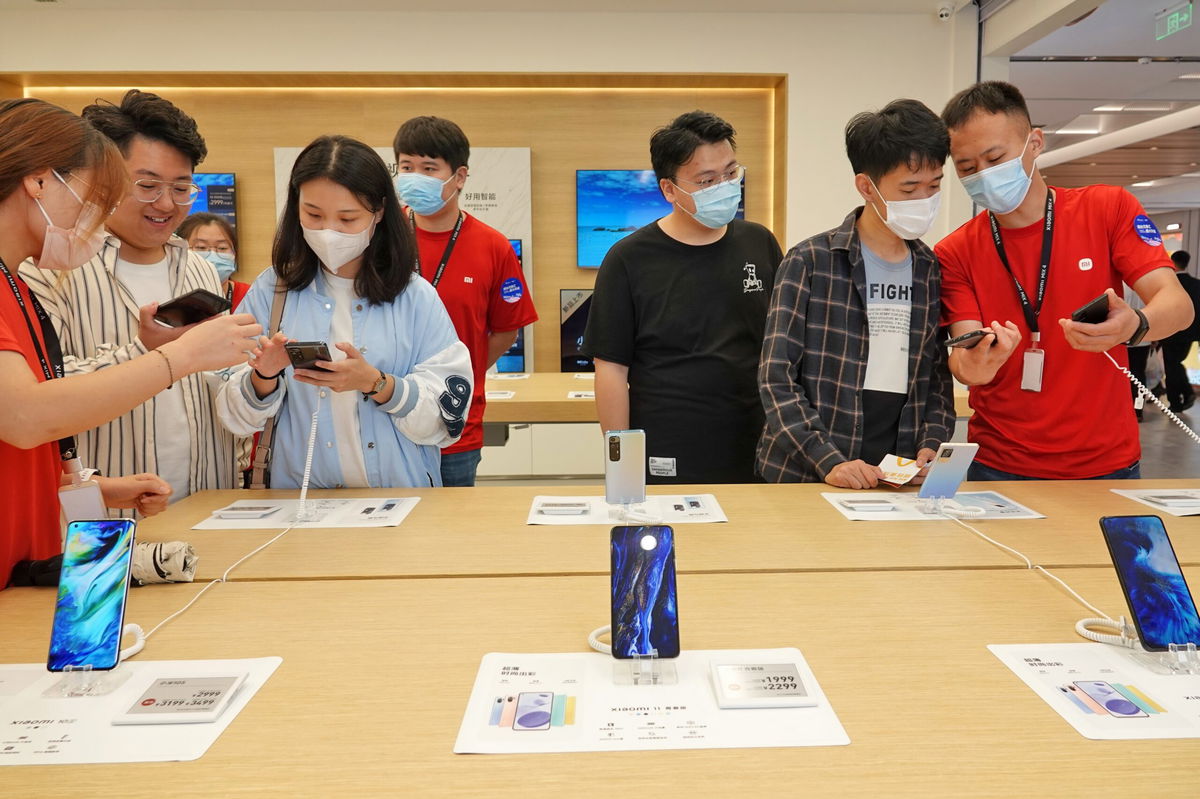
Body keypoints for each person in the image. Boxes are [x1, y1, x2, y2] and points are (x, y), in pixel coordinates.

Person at [0, 98, 261, 586]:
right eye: (96, 192)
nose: (94, 212)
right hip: (64, 550)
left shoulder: (13, 282)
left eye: (180, 188)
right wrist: (175, 356)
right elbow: (25, 415)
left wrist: (98, 486)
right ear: (38, 181)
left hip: (49, 546)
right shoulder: (40, 277)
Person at [935, 81, 1193, 480]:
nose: (984, 176)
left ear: (1034, 143)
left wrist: (1135, 325)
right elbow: (965, 357)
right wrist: (977, 365)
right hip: (999, 463)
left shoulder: (1107, 209)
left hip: (1106, 462)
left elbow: (1176, 304)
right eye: (967, 169)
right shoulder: (955, 252)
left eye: (995, 158)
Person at [22, 89, 242, 504]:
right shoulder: (51, 270)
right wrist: (145, 353)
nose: (166, 204)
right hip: (107, 521)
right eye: (146, 185)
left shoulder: (197, 269)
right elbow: (38, 401)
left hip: (206, 504)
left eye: (182, 188)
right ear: (103, 177)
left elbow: (215, 386)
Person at [216, 135, 472, 489]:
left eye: (348, 219)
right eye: (313, 215)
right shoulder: (272, 291)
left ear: (379, 212)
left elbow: (448, 419)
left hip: (402, 505)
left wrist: (377, 384)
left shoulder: (416, 297)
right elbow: (233, 417)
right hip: (298, 504)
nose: (328, 233)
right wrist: (264, 376)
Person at [758, 100, 955, 486]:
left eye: (934, 186)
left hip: (898, 471)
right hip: (807, 471)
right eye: (910, 187)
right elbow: (776, 377)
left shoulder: (930, 270)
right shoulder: (811, 261)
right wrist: (827, 459)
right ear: (867, 186)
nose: (925, 200)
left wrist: (932, 443)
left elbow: (936, 378)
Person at [584, 110, 782, 484]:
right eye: (707, 180)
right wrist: (621, 463)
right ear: (669, 190)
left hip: (758, 442)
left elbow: (783, 348)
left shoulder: (760, 243)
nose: (724, 187)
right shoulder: (629, 259)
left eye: (730, 173)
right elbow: (610, 369)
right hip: (669, 444)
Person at [392, 116, 537, 486]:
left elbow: (506, 328)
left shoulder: (493, 246)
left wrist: (460, 372)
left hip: (454, 422)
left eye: (428, 168)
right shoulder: (380, 240)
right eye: (406, 167)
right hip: (384, 417)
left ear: (459, 176)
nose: (415, 177)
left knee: (449, 534)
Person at [177, 212, 249, 309]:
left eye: (222, 248)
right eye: (201, 247)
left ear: (235, 254)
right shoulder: (169, 295)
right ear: (179, 252)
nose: (213, 255)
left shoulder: (250, 295)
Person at [1161, 250, 1200, 412]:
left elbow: (1162, 309)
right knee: (1176, 363)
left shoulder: (1168, 285)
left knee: (1171, 366)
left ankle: (1176, 402)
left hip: (1170, 332)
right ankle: (1185, 394)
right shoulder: (1197, 284)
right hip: (1191, 333)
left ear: (1172, 263)